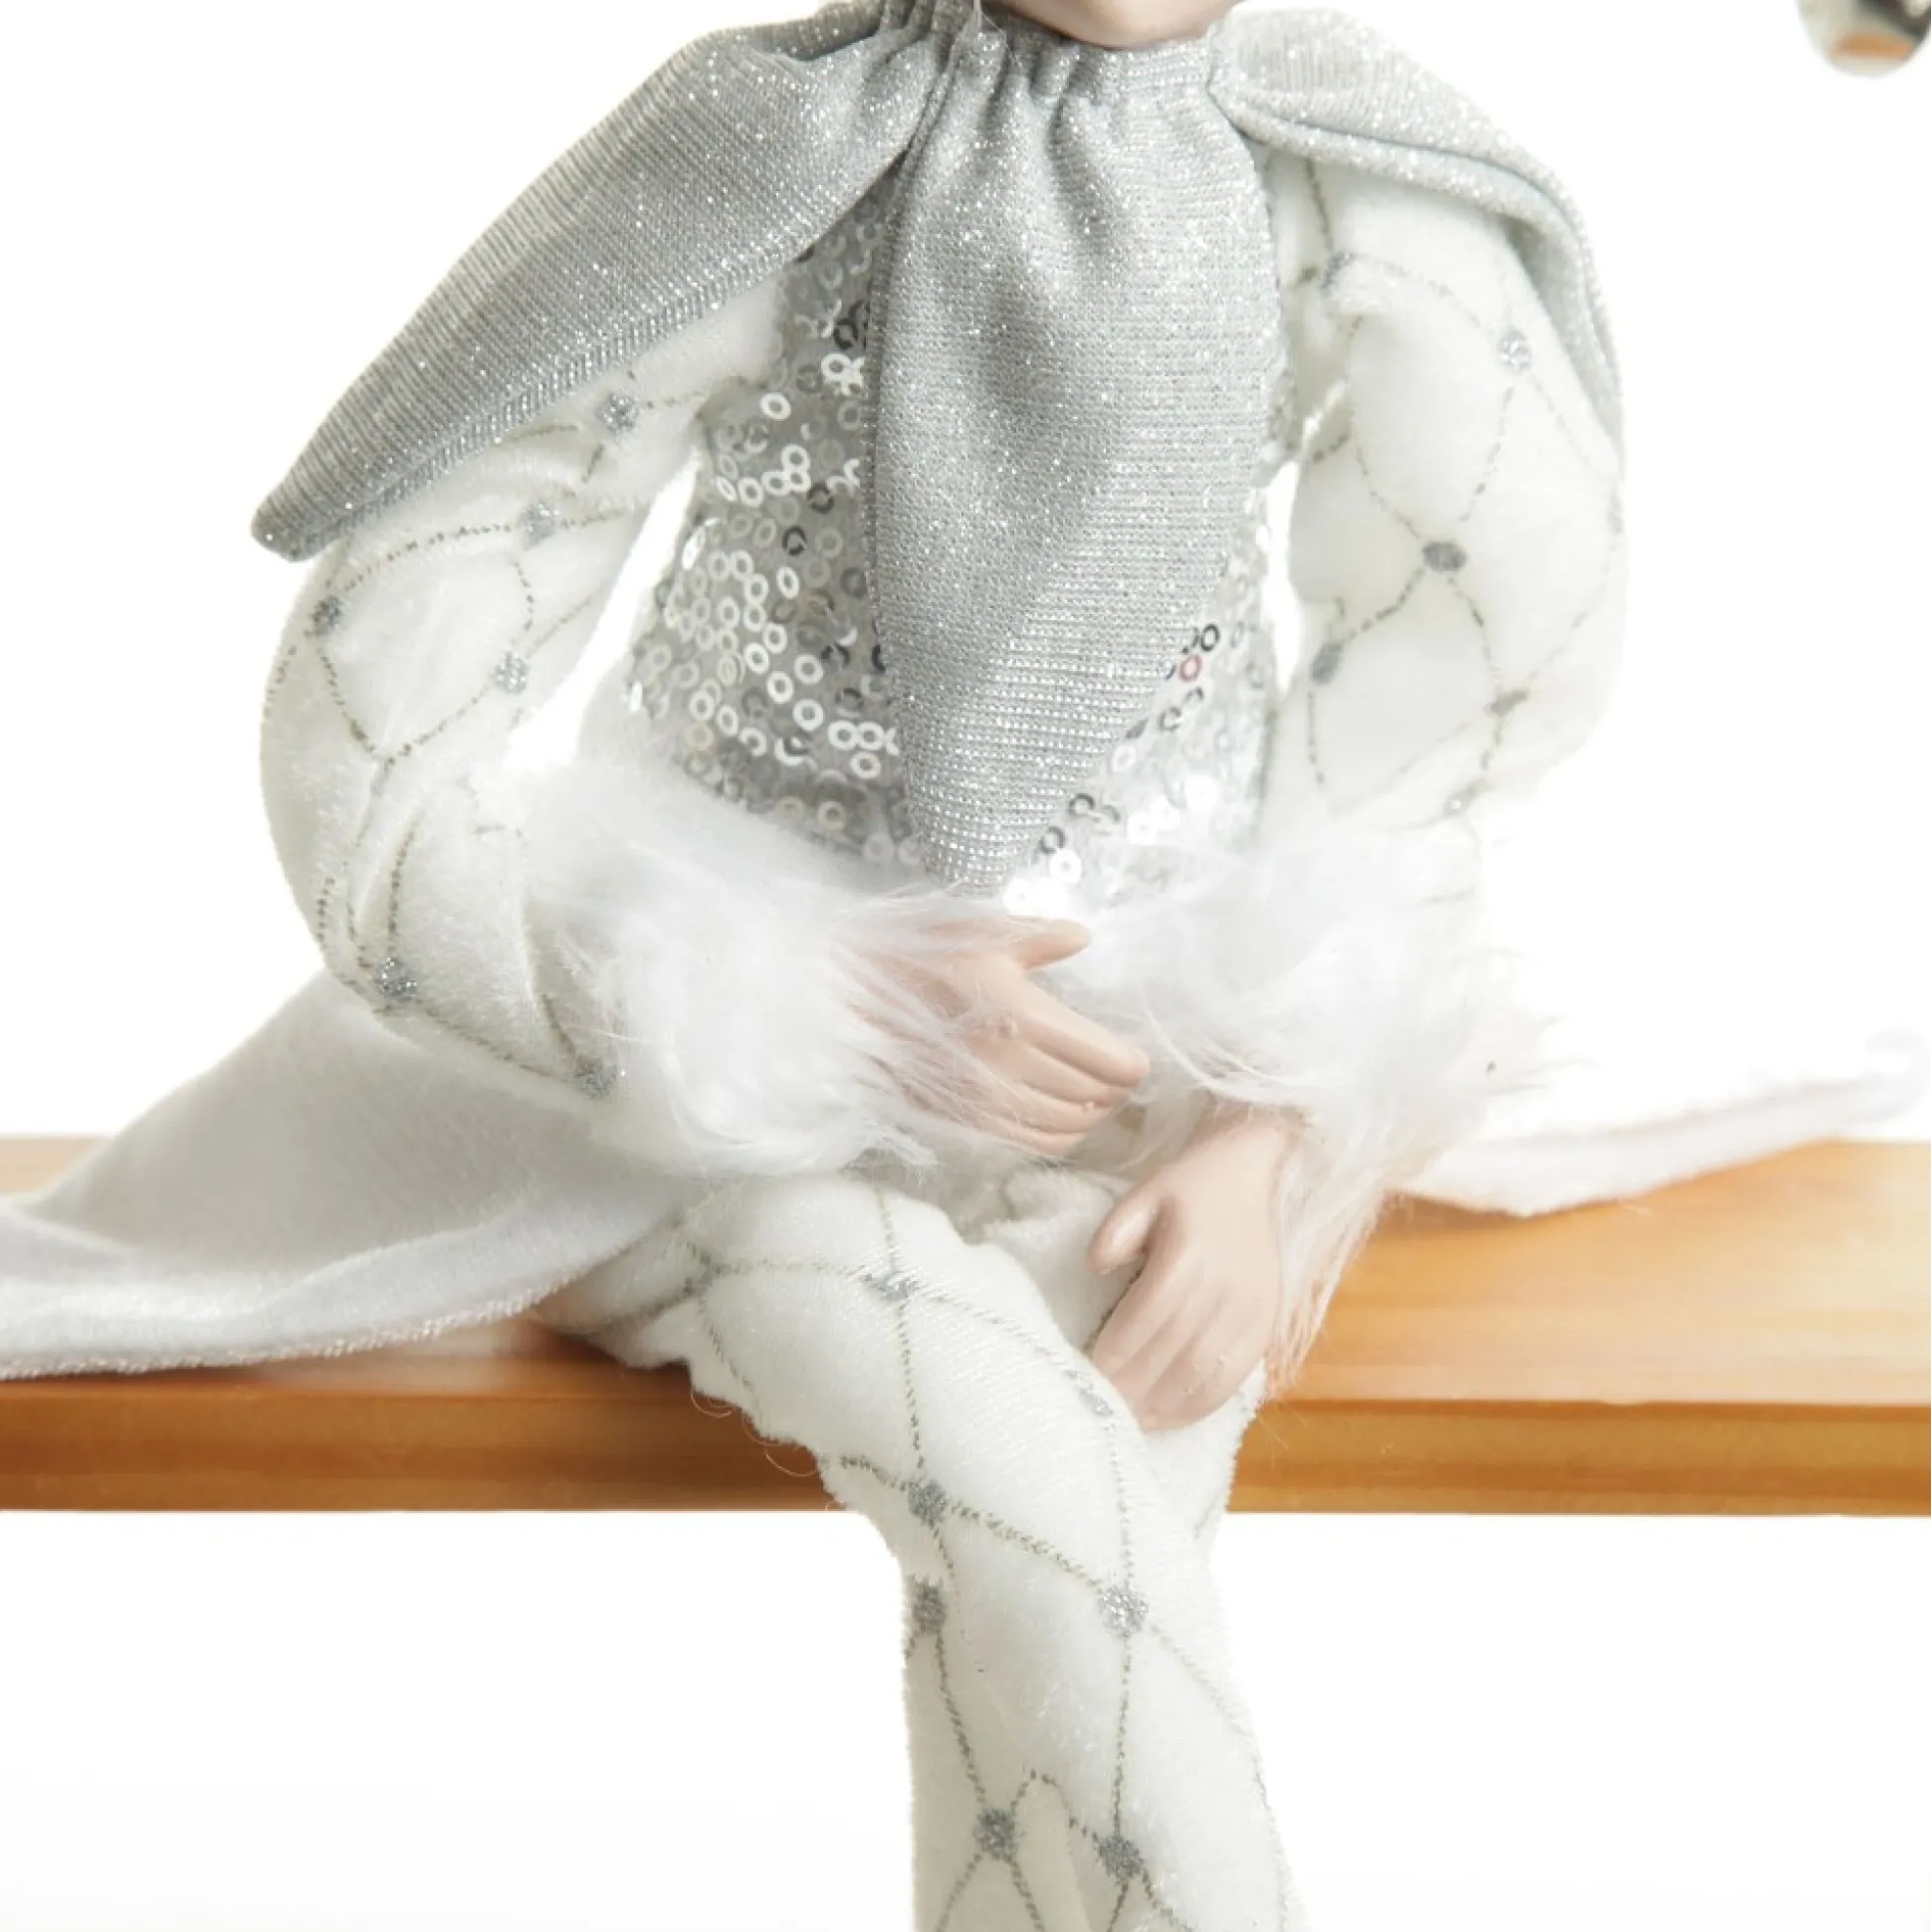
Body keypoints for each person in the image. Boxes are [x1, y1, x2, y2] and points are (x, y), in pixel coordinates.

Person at [0, 2, 1626, 1923]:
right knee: (1031, 1479)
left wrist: (1266, 1127)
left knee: (1118, 1441)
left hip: (1128, 1103)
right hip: (685, 1125)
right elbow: (395, 693)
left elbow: (1459, 674)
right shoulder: (774, 151)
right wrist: (781, 989)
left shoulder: (1350, 182)